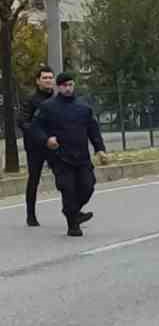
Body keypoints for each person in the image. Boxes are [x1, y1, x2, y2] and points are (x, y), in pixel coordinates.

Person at [28, 71, 106, 237]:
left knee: (87, 186)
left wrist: (100, 149)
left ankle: (72, 211)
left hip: (82, 157)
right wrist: (46, 139)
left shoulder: (83, 107)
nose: (68, 88)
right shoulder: (48, 107)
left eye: (70, 85)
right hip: (61, 157)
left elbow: (93, 130)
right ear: (58, 87)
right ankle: (73, 225)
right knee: (68, 189)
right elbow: (36, 127)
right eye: (64, 86)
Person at [19, 65, 55, 227]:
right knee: (34, 179)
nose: (48, 80)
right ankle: (30, 215)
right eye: (45, 78)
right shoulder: (32, 99)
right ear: (38, 81)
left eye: (50, 77)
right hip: (35, 147)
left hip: (55, 145)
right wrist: (38, 136)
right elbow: (23, 122)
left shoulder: (57, 99)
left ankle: (73, 211)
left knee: (65, 176)